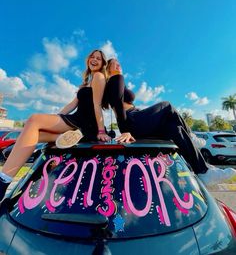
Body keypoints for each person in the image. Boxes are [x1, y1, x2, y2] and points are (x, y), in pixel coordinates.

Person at [103, 58, 236, 186]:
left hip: (135, 121)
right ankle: (191, 136)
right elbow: (117, 106)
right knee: (167, 105)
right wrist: (125, 129)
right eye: (114, 64)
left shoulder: (115, 83)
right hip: (132, 120)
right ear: (108, 69)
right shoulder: (116, 79)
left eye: (118, 63)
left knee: (175, 128)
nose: (118, 65)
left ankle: (203, 172)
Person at [0, 50, 111, 201]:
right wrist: (55, 118)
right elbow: (72, 104)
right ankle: (67, 137)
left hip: (85, 123)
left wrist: (101, 130)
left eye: (99, 58)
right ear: (88, 60)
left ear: (103, 63)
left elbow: (97, 105)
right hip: (75, 120)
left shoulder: (99, 77)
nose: (95, 60)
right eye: (92, 57)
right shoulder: (85, 83)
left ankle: (3, 181)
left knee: (34, 119)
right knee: (35, 134)